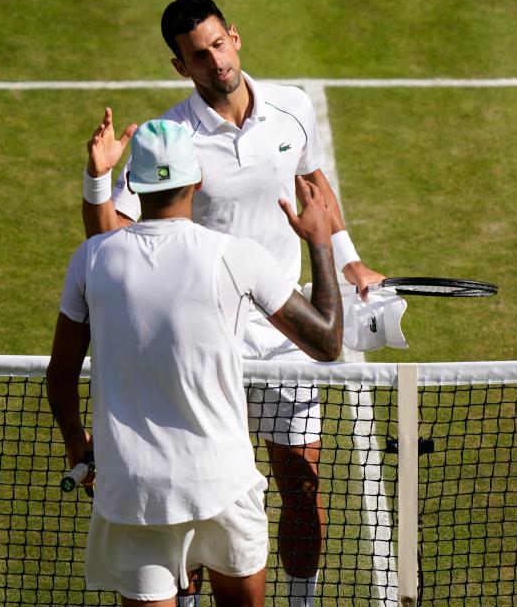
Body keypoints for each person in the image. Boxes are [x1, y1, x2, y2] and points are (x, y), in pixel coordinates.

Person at [79, 0, 386, 605]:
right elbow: (109, 239)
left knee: (301, 485)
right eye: (198, 55)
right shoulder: (174, 137)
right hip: (203, 344)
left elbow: (311, 180)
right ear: (180, 67)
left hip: (284, 333)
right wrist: (98, 180)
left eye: (219, 45)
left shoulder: (293, 108)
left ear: (236, 38)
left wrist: (346, 256)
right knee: (195, 494)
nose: (215, 61)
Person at [47, 118, 342, 606]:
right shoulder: (238, 257)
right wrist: (320, 241)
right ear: (198, 178)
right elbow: (328, 341)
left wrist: (79, 447)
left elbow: (60, 383)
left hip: (132, 491)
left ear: (135, 185)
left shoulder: (91, 259)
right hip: (221, 485)